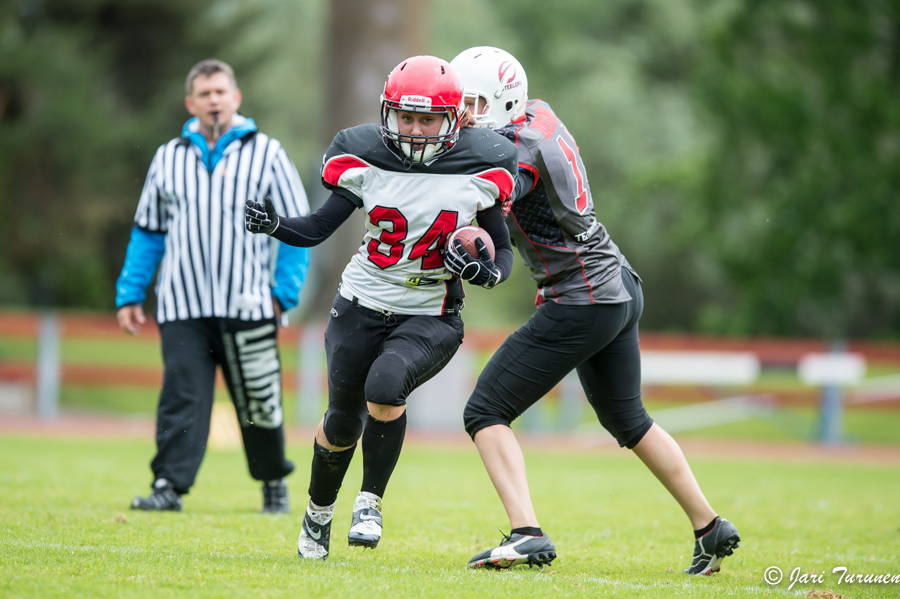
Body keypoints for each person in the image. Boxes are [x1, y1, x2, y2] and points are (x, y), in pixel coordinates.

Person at [450, 46, 741, 574]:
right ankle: (710, 526)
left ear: (501, 101)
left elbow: (485, 201)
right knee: (629, 419)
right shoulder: (538, 114)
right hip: (619, 285)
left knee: (484, 411)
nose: (463, 113)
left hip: (580, 297)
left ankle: (526, 533)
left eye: (471, 103)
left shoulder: (515, 149)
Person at [245, 55, 518, 560]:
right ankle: (318, 514)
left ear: (453, 118)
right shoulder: (363, 154)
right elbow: (319, 227)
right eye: (406, 118)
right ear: (388, 113)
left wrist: (488, 273)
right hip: (360, 303)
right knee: (341, 422)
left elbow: (502, 253)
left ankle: (369, 502)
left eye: (428, 119)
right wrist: (273, 224)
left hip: (431, 313)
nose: (415, 130)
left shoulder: (483, 163)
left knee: (386, 386)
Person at [116, 59, 311, 514]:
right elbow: (148, 231)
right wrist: (129, 293)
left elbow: (298, 230)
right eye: (204, 94)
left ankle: (272, 485)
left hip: (249, 302)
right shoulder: (168, 156)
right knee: (181, 397)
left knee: (259, 398)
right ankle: (169, 485)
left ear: (236, 98)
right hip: (182, 304)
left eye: (221, 92)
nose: (214, 100)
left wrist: (283, 294)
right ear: (191, 103)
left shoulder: (268, 153)